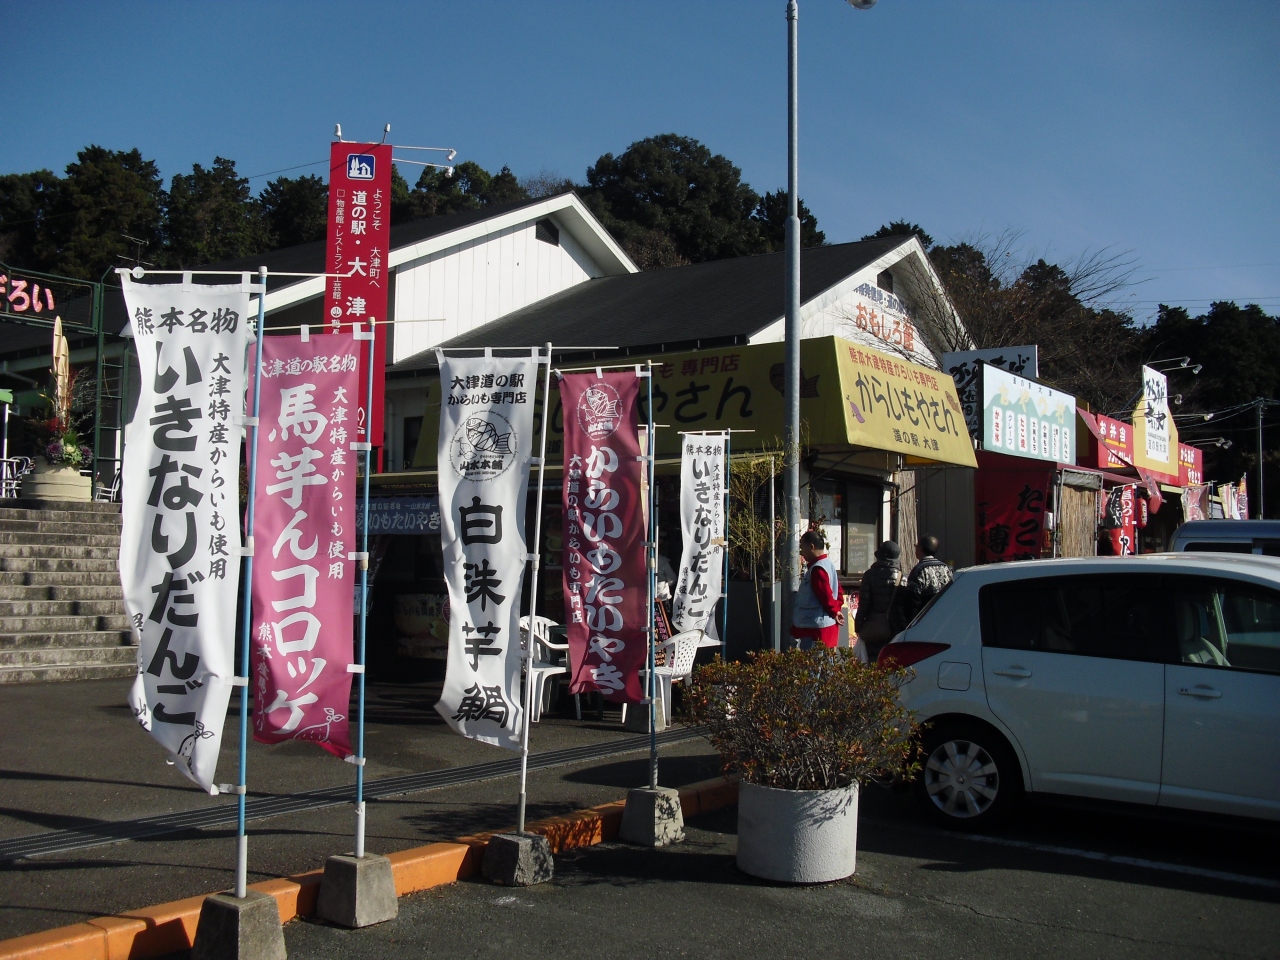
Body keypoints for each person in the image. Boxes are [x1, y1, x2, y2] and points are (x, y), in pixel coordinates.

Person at [790, 530, 845, 650]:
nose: (801, 552)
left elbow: (825, 596)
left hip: (815, 628)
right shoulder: (828, 564)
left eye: (802, 547)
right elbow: (839, 592)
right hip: (827, 626)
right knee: (826, 660)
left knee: (814, 661)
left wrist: (834, 611)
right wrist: (837, 610)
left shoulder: (817, 569)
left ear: (811, 547)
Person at [892, 535, 954, 635]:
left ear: (920, 548)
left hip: (926, 623)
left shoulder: (919, 570)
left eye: (916, 546)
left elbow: (912, 602)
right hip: (944, 620)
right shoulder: (946, 568)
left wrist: (912, 626)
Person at [854, 540, 902, 662]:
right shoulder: (902, 577)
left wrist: (858, 626)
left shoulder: (870, 575)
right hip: (896, 627)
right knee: (892, 662)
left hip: (873, 625)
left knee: (873, 662)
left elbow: (864, 604)